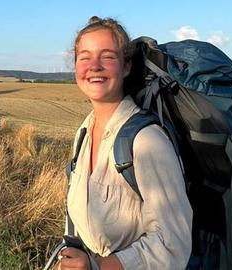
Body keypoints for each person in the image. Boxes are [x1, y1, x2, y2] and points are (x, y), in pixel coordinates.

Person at [58, 16, 193, 270]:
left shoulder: (146, 141)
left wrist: (97, 266)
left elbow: (173, 243)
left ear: (126, 66)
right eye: (84, 57)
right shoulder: (84, 133)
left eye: (107, 56)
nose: (94, 66)